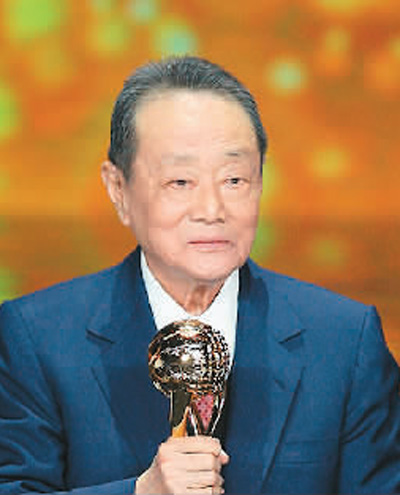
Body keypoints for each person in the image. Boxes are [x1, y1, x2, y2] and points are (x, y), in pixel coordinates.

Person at [0, 55, 399, 495]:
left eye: (234, 180)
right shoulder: (36, 338)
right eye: (180, 182)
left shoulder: (345, 341)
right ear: (118, 189)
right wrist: (140, 492)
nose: (212, 210)